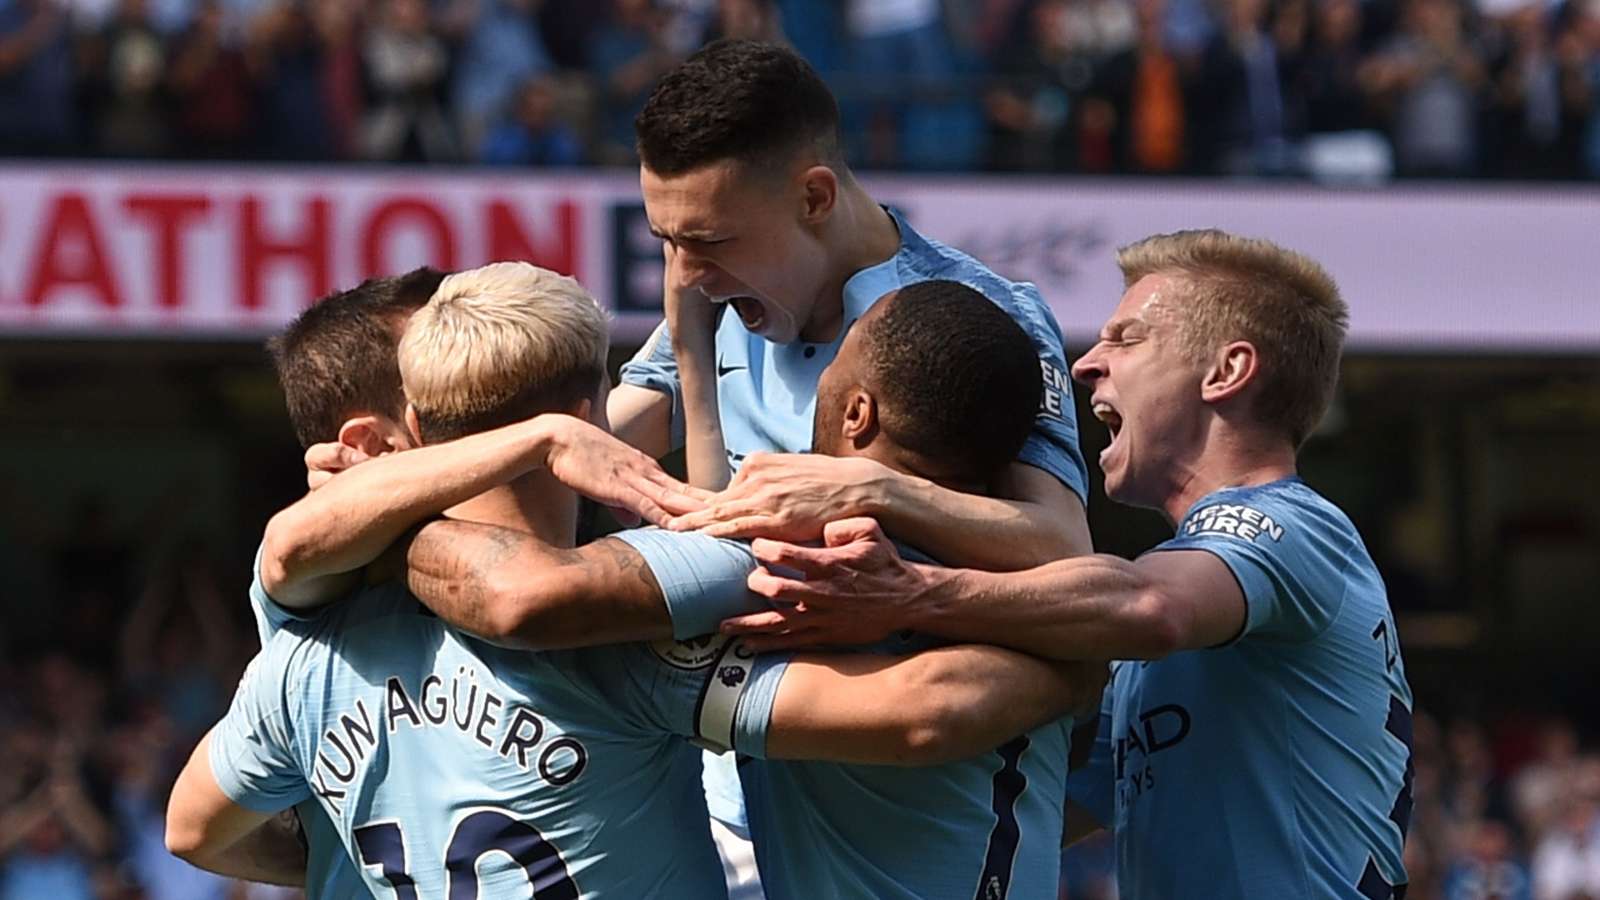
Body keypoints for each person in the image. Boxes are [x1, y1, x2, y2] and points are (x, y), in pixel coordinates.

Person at [165, 263, 1097, 896]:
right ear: (589, 413)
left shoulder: (303, 652)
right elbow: (922, 712)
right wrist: (1083, 662)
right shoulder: (631, 647)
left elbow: (194, 832)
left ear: (417, 425)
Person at [727, 230, 1416, 899]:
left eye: (1127, 339)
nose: (1088, 364)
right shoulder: (1167, 624)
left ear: (1226, 372)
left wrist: (908, 589)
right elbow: (1037, 801)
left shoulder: (1296, 526)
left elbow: (1150, 607)